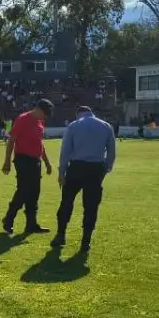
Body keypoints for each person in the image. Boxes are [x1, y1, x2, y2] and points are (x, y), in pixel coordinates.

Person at [53, 105, 117, 252]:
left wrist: (62, 172)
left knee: (67, 202)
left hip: (76, 167)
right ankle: (85, 242)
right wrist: (105, 168)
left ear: (78, 114)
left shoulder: (73, 126)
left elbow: (65, 151)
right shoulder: (106, 126)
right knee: (91, 206)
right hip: (96, 169)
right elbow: (111, 152)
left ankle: (60, 235)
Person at [0, 98, 55, 235]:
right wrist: (7, 161)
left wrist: (47, 163)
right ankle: (9, 218)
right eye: (45, 113)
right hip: (23, 160)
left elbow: (40, 144)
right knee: (24, 191)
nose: (46, 116)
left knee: (34, 193)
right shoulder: (22, 119)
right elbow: (11, 140)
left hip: (35, 161)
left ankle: (31, 224)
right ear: (38, 109)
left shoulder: (40, 122)